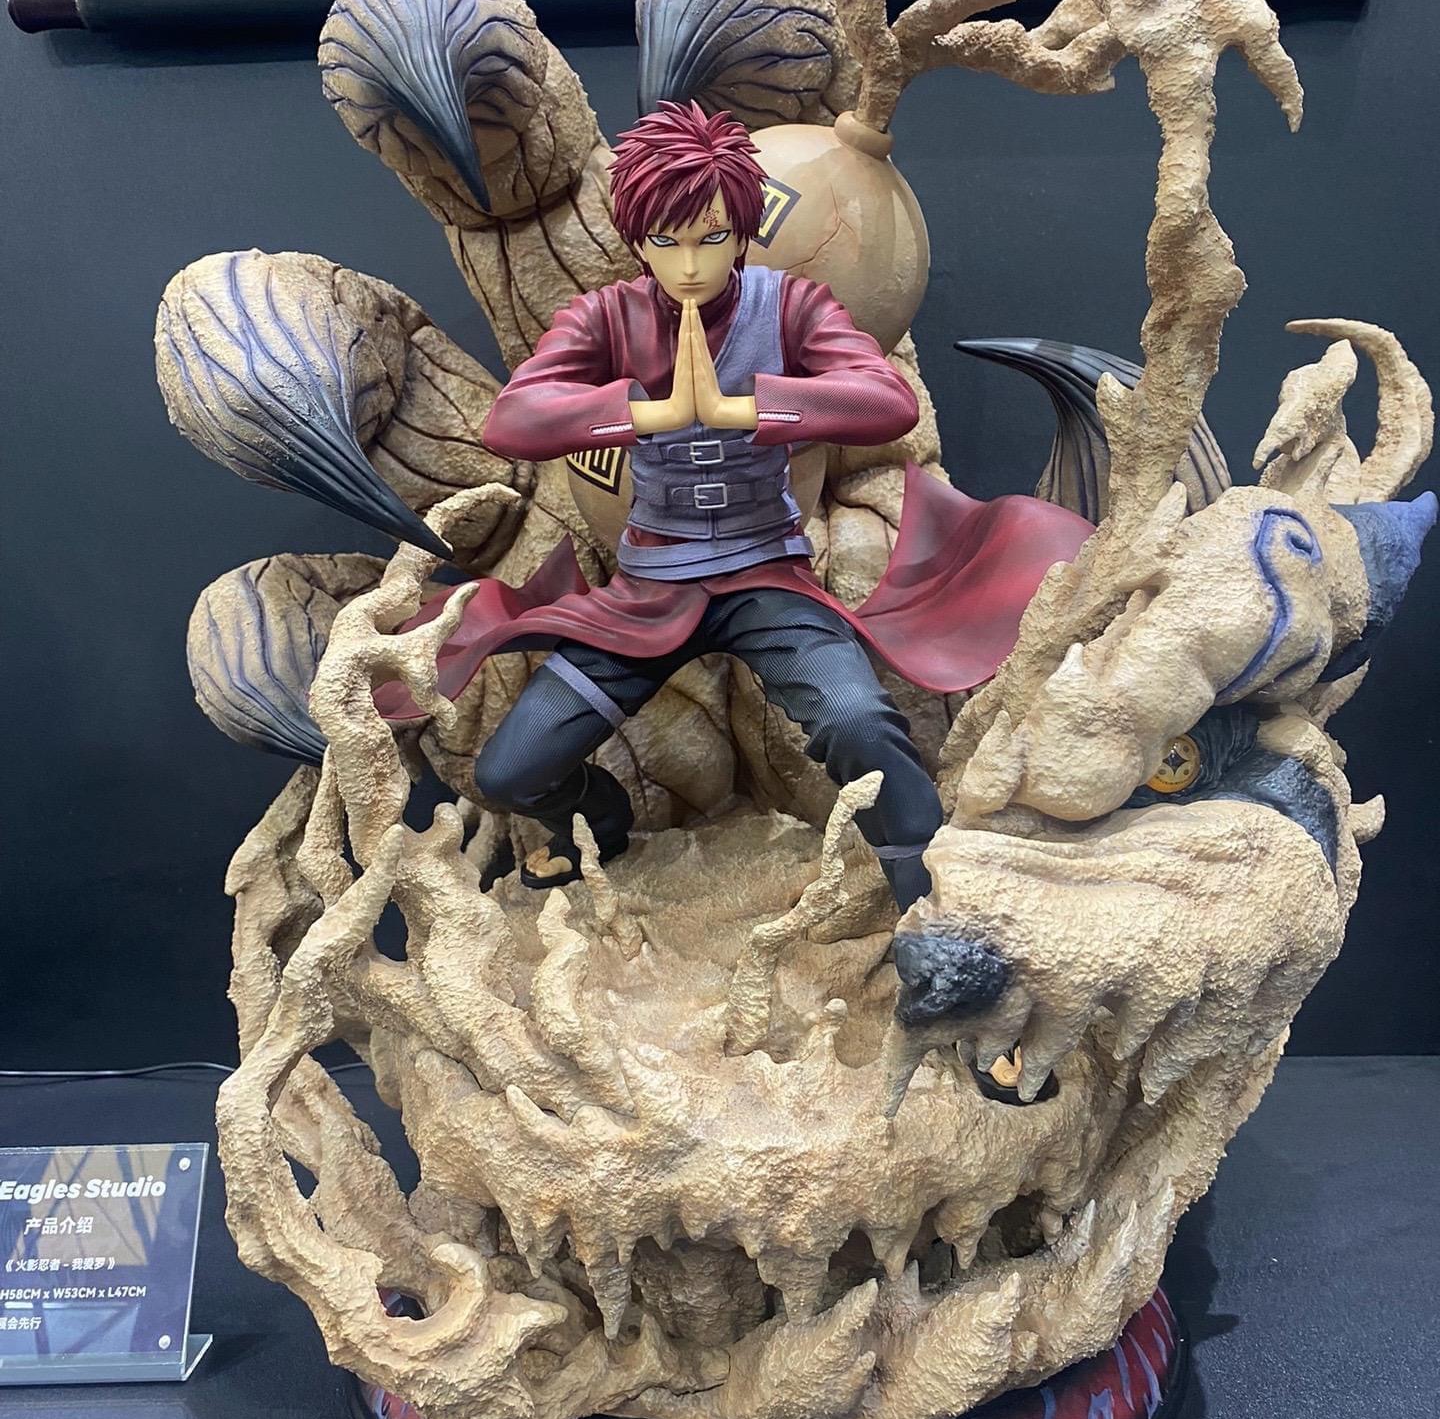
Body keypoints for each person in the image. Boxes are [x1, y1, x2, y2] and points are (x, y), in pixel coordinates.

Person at [377, 101, 1091, 904]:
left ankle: (926, 894)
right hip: (648, 592)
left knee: (858, 721)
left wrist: (747, 408)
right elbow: (512, 421)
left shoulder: (790, 306)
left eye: (710, 238)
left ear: (743, 232)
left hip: (765, 578)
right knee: (510, 771)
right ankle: (597, 824)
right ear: (637, 239)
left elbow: (887, 400)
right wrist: (647, 413)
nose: (688, 265)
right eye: (666, 241)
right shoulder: (608, 315)